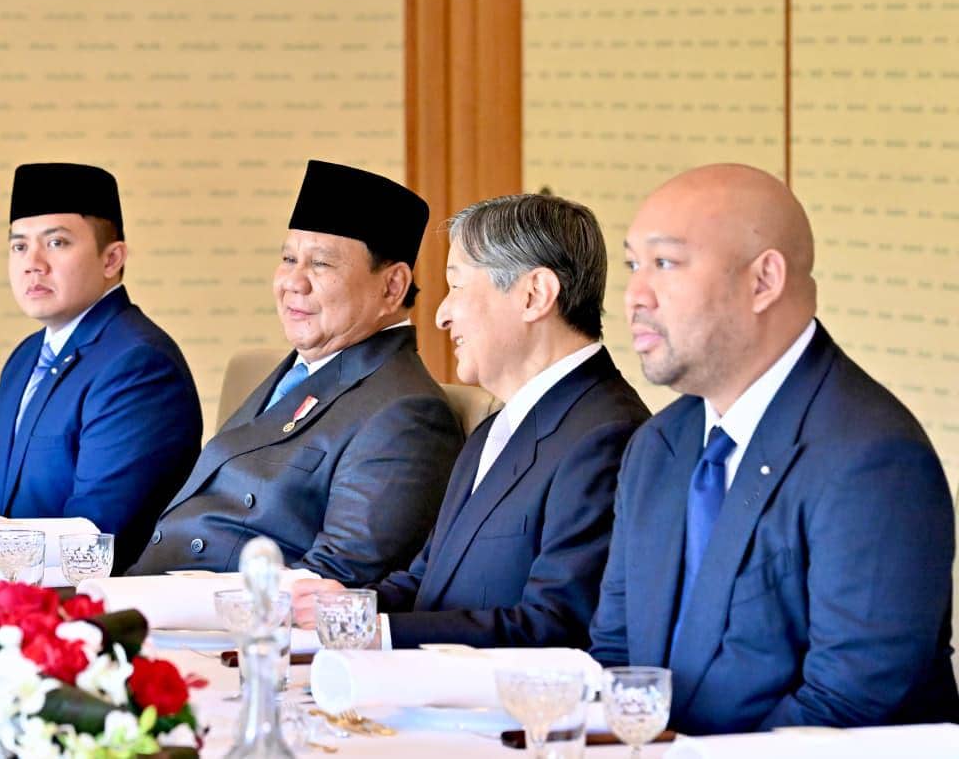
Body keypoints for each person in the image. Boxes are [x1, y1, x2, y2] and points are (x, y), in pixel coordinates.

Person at [589, 163, 958, 732]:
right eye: (634, 264)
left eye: (665, 263)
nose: (635, 295)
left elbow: (847, 707)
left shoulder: (872, 458)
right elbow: (617, 652)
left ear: (763, 281)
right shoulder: (657, 446)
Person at [292, 193, 649, 649]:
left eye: (456, 286)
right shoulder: (495, 428)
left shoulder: (607, 436)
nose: (441, 314)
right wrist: (346, 608)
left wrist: (373, 633)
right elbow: (426, 581)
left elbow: (554, 625)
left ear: (533, 295)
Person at [129, 160, 463, 583]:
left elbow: (336, 577)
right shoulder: (299, 369)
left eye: (321, 264)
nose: (293, 282)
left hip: (228, 627)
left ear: (393, 286)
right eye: (288, 258)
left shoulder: (407, 412)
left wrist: (181, 601)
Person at [0, 162, 203, 572]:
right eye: (19, 246)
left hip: (95, 610)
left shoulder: (138, 365)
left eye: (56, 243)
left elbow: (93, 533)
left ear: (112, 259)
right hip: (17, 594)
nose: (32, 263)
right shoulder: (24, 359)